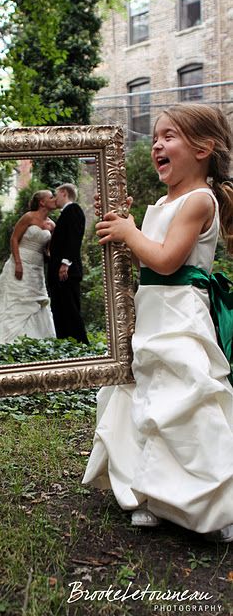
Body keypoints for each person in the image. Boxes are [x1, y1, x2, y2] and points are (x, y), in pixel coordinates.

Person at [82, 104, 233, 542]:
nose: (157, 145)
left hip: (181, 316)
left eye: (169, 137)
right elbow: (145, 256)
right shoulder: (163, 202)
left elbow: (167, 261)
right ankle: (150, 492)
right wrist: (121, 225)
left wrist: (131, 234)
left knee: (184, 397)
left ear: (203, 148)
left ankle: (207, 499)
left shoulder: (199, 199)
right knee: (146, 396)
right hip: (152, 313)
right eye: (154, 139)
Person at [0, 190, 56, 344]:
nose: (54, 199)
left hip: (37, 267)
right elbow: (14, 239)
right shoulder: (29, 217)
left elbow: (47, 250)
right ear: (42, 202)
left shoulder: (52, 224)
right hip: (21, 260)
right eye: (51, 197)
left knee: (36, 300)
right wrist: (18, 263)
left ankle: (34, 336)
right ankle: (3, 334)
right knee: (14, 298)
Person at [48, 183, 88, 344]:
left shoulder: (73, 210)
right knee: (60, 307)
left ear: (64, 193)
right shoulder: (65, 213)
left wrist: (65, 264)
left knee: (70, 308)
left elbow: (73, 239)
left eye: (55, 195)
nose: (54, 199)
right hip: (59, 271)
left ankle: (81, 342)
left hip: (67, 271)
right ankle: (65, 340)